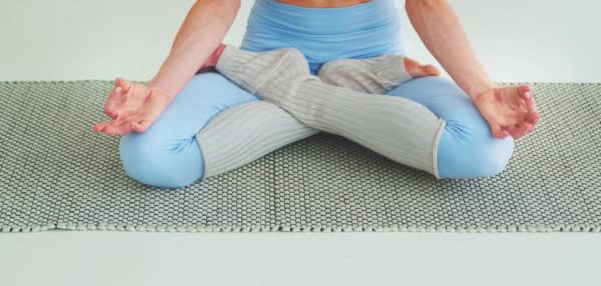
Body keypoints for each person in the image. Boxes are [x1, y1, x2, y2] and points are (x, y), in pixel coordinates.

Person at [93, 0, 541, 188]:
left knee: (484, 153)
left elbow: (426, 4)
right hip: (265, 59)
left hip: (375, 70)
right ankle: (322, 89)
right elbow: (216, 5)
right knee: (149, 156)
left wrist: (482, 90)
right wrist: (159, 92)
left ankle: (290, 84)